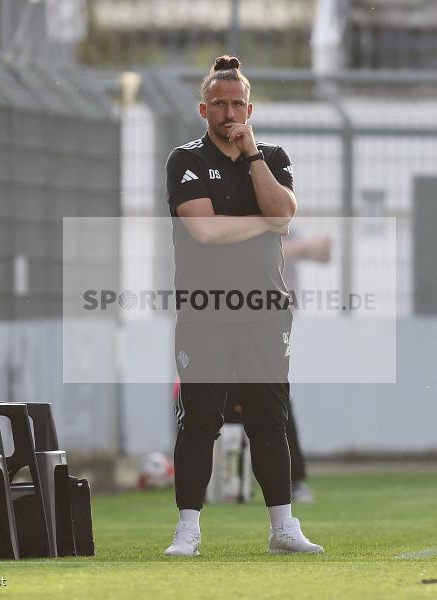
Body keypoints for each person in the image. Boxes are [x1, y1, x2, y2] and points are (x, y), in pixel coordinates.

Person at [163, 55, 323, 556]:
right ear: (203, 109)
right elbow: (205, 231)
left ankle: (283, 526)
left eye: (237, 105)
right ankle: (187, 529)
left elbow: (283, 210)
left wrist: (252, 156)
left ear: (250, 109)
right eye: (219, 105)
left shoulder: (271, 157)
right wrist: (266, 224)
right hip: (205, 309)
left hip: (264, 308)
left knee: (268, 419)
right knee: (201, 420)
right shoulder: (185, 160)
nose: (229, 113)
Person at [225, 231, 332, 503]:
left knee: (274, 398)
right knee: (231, 397)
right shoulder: (244, 221)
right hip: (239, 321)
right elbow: (253, 259)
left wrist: (299, 247)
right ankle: (227, 480)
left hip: (274, 323)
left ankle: (290, 482)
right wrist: (302, 247)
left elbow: (324, 252)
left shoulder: (283, 227)